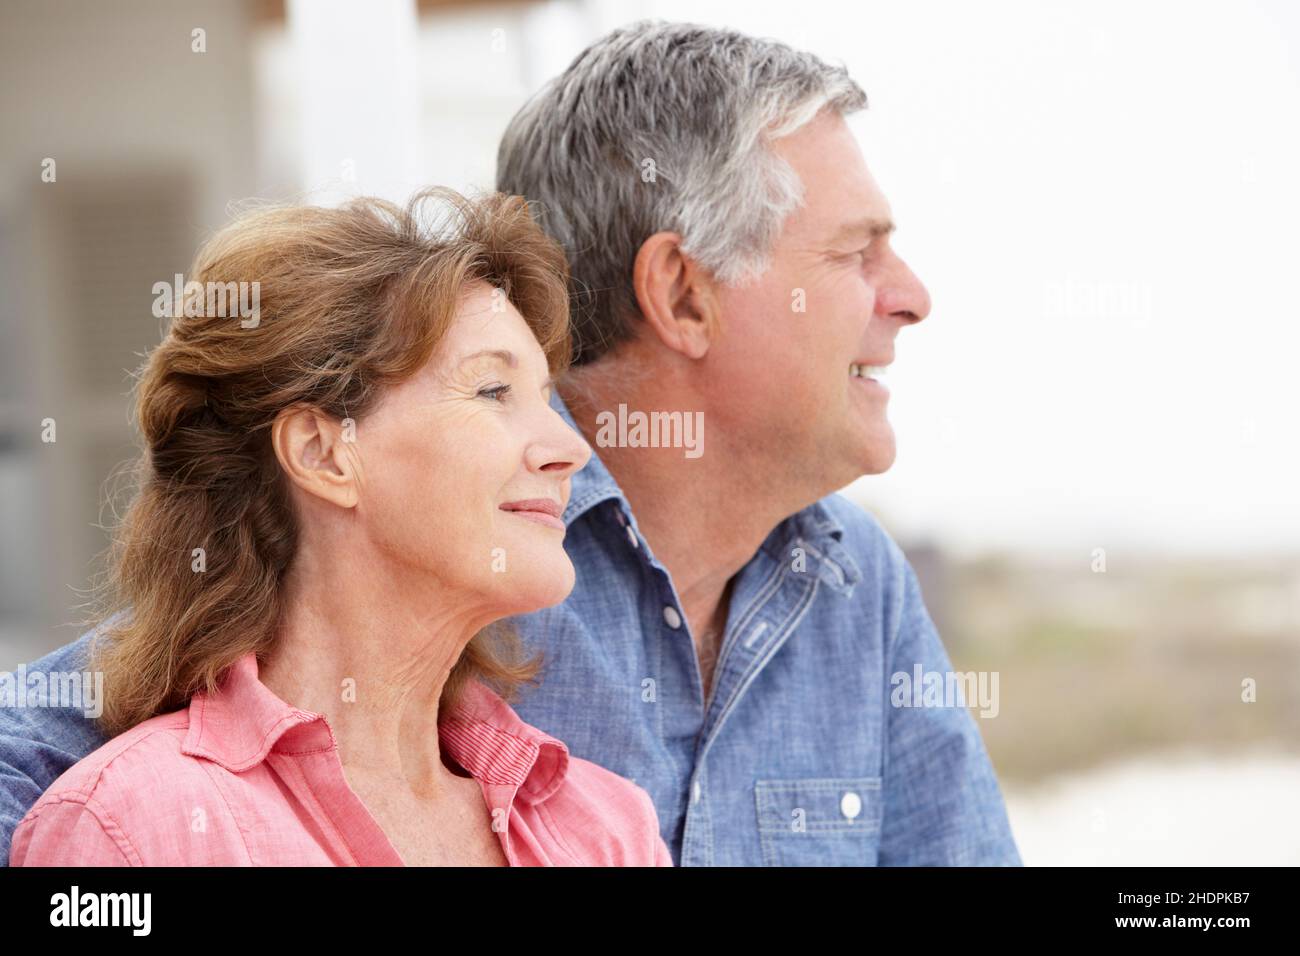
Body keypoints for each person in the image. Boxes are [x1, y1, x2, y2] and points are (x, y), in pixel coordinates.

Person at [1, 20, 1020, 866]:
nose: (911, 297)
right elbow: (92, 749)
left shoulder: (855, 586)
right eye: (854, 251)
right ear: (681, 293)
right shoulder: (460, 541)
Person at [6, 188, 671, 866]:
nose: (570, 450)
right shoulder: (130, 829)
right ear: (323, 454)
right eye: (493, 392)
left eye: (545, 398)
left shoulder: (611, 830)